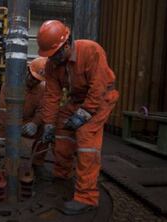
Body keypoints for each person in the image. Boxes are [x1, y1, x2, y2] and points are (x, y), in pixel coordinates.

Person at [37, 20, 119, 215]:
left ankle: (87, 197)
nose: (53, 60)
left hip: (101, 98)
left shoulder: (91, 50)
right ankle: (62, 174)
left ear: (66, 44)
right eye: (49, 56)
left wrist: (84, 114)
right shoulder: (52, 65)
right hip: (77, 100)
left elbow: (98, 87)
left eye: (55, 54)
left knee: (86, 138)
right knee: (61, 127)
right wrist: (48, 124)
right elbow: (51, 96)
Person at [0, 57, 51, 179]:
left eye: (38, 80)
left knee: (46, 132)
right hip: (7, 120)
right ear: (27, 70)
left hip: (26, 121)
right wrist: (2, 134)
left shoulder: (42, 88)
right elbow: (3, 110)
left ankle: (37, 164)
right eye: (32, 78)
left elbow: (42, 110)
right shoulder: (9, 83)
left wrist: (35, 123)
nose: (34, 81)